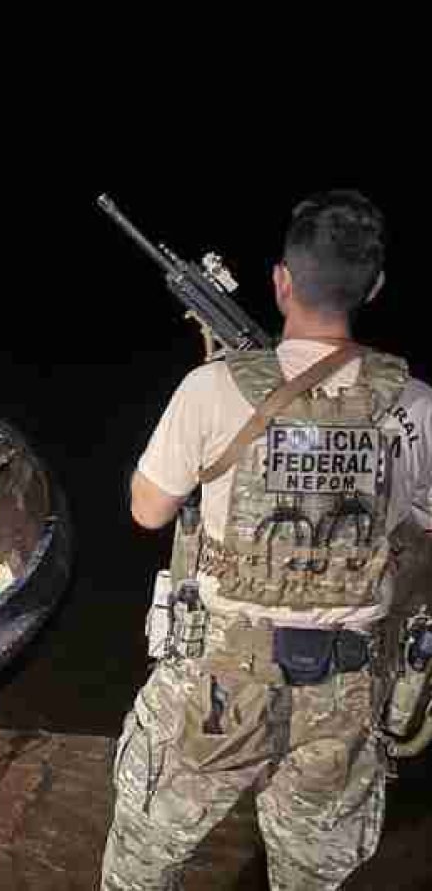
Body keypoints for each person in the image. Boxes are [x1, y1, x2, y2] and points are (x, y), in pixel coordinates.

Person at [101, 189, 432, 890]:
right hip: (346, 693)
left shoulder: (211, 388)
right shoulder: (418, 406)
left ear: (282, 280)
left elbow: (147, 512)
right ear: (374, 286)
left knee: (141, 867)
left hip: (217, 688)